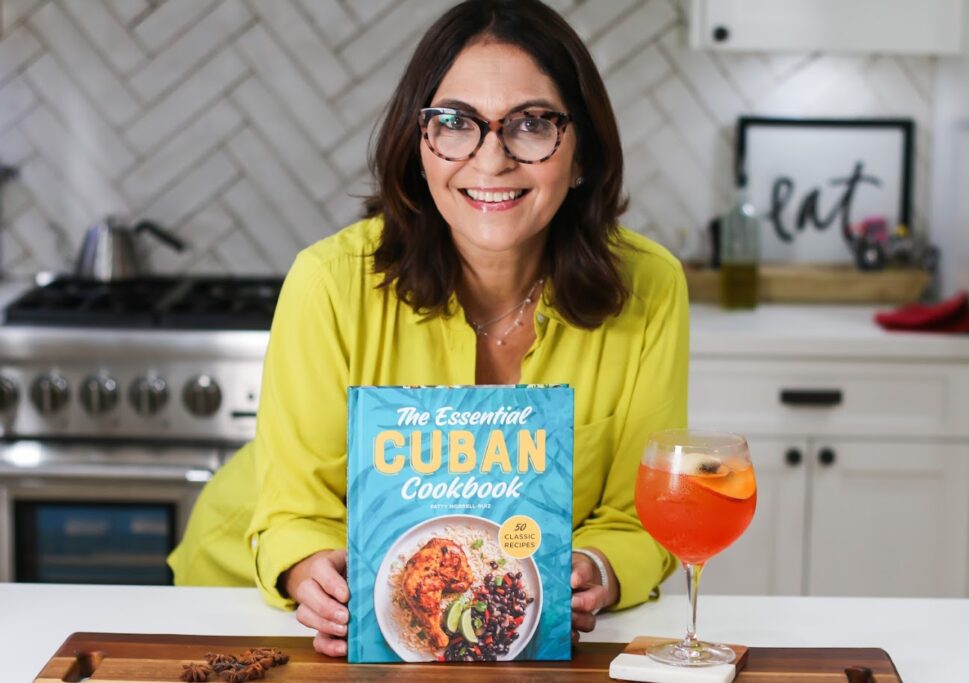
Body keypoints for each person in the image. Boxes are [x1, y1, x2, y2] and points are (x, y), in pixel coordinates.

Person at [168, 0, 688, 657]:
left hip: (512, 635)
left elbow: (637, 518)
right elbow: (294, 511)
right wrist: (307, 567)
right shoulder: (328, 282)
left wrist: (602, 570)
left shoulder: (650, 287)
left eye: (531, 124)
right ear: (420, 148)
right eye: (455, 122)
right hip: (253, 611)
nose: (491, 158)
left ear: (581, 150)